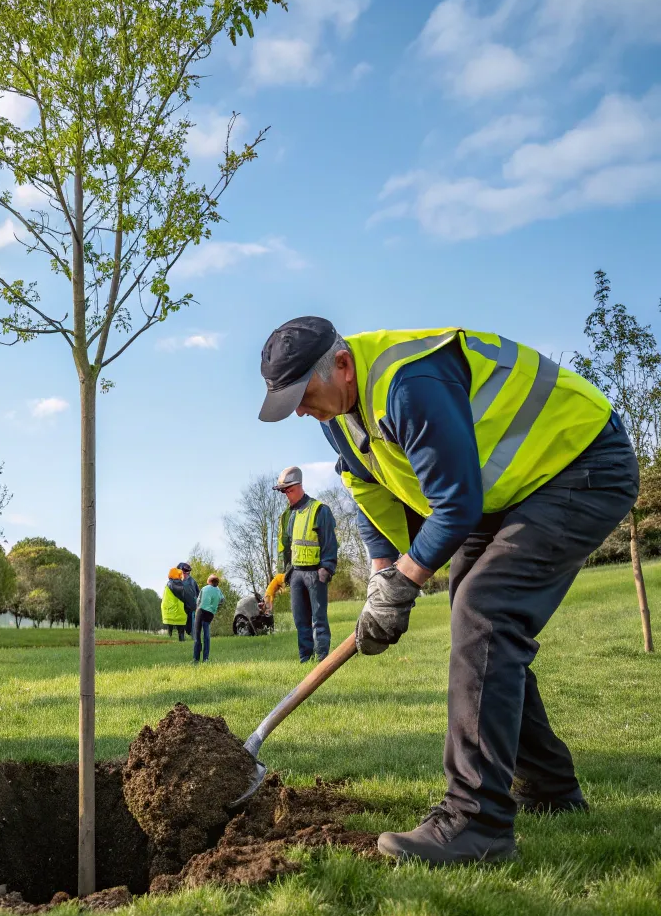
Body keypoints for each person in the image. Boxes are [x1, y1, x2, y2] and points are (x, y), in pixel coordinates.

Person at [258, 316, 637, 866]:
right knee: (476, 616)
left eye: (303, 394)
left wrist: (404, 585)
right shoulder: (338, 412)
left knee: (486, 612)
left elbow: (455, 506)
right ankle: (552, 786)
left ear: (341, 365)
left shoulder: (409, 383)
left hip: (580, 463)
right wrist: (383, 575)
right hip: (502, 492)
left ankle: (475, 822)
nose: (299, 410)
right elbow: (371, 490)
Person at [272, 466, 338, 662]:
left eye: (289, 490)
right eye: (284, 492)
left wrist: (327, 567)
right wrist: (284, 572)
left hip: (315, 573)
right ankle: (305, 659)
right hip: (296, 575)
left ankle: (322, 658)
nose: (287, 495)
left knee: (319, 619)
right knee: (301, 621)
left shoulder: (319, 510)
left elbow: (330, 541)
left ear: (299, 486)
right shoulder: (286, 516)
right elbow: (284, 546)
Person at [194, 574, 225, 663]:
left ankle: (196, 659)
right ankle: (205, 659)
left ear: (209, 581)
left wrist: (197, 609)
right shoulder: (218, 590)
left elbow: (198, 601)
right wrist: (215, 606)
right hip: (210, 614)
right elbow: (222, 600)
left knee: (197, 635)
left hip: (201, 611)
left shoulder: (204, 588)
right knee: (206, 635)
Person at [162, 568, 189, 641]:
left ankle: (169, 637)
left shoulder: (168, 585)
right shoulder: (182, 585)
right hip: (181, 611)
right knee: (181, 629)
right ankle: (181, 639)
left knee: (170, 627)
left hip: (170, 611)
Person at [177, 561, 199, 638]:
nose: (187, 574)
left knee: (190, 625)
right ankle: (181, 638)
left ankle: (193, 636)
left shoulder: (192, 581)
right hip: (180, 607)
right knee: (181, 623)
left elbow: (198, 592)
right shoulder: (176, 581)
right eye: (185, 571)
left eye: (188, 572)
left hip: (191, 606)